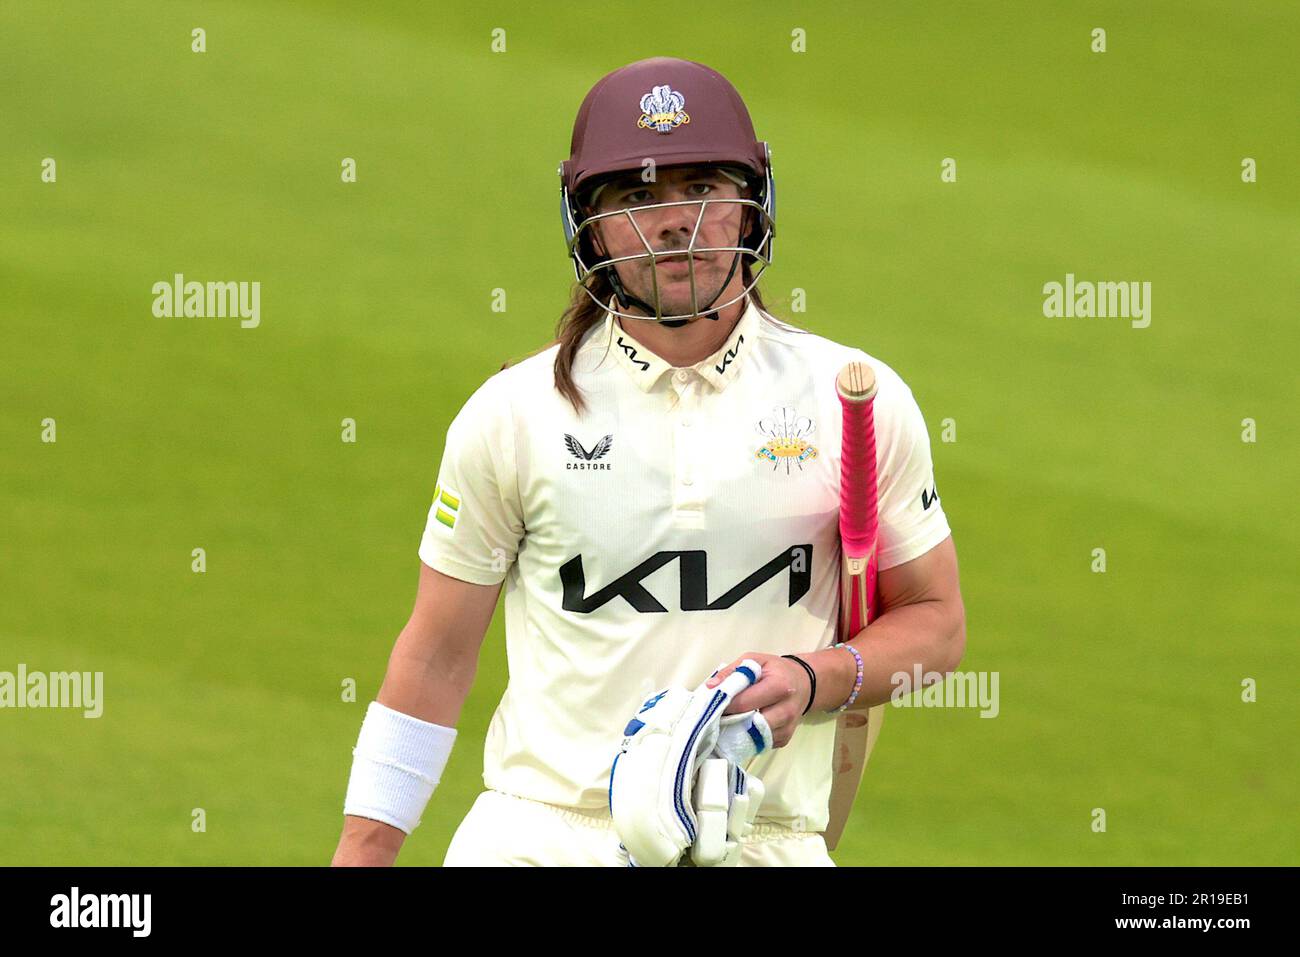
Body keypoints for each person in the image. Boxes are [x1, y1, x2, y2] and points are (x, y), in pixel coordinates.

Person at [331, 56, 965, 868]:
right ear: (587, 225)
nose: (678, 223)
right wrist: (364, 850)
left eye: (703, 187)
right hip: (540, 835)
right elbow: (436, 655)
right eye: (636, 198)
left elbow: (937, 625)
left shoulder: (850, 400)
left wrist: (819, 676)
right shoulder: (514, 415)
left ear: (751, 207)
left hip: (761, 842)